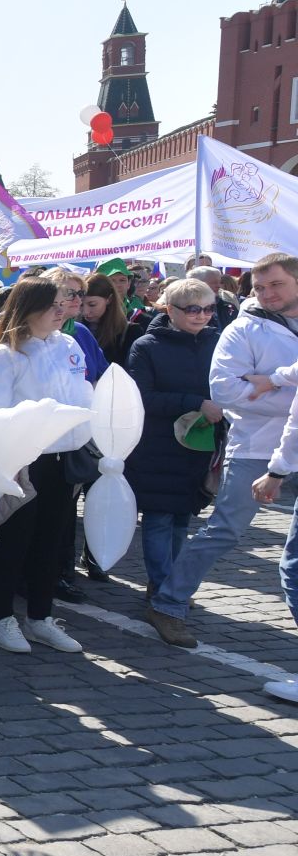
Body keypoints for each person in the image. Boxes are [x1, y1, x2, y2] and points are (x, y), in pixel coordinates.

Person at [148, 253, 298, 646]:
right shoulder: (242, 330)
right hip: (257, 445)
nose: (266, 293)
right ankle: (169, 603)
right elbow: (227, 392)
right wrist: (290, 396)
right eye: (260, 286)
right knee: (225, 530)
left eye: (276, 285)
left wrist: (271, 382)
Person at [0, 279, 94, 654]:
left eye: (65, 302)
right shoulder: (1, 355)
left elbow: (81, 394)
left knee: (51, 541)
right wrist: (6, 461)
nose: (62, 310)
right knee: (15, 540)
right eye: (52, 304)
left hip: (64, 461)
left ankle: (41, 618)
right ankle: (1, 619)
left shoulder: (70, 345)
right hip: (24, 461)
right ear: (28, 308)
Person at [126, 278, 223, 598]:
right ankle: (161, 587)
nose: (202, 315)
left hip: (198, 447)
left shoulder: (218, 342)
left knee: (182, 518)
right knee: (158, 518)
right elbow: (143, 398)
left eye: (209, 308)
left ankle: (172, 585)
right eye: (193, 309)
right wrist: (194, 403)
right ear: (170, 309)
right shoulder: (147, 345)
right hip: (157, 446)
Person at [80, 273, 134, 370]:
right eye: (81, 305)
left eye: (92, 305)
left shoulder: (131, 331)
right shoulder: (73, 330)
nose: (85, 312)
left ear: (109, 299)